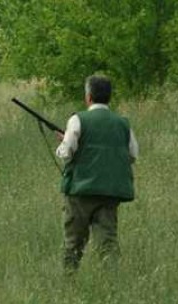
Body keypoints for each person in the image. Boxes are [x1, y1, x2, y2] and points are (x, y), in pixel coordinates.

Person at [55, 75, 139, 273]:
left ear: (88, 97)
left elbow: (66, 152)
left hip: (80, 192)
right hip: (110, 193)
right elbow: (133, 154)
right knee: (108, 243)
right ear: (109, 97)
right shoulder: (122, 123)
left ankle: (69, 282)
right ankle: (112, 282)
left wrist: (62, 142)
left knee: (73, 243)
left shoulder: (77, 120)